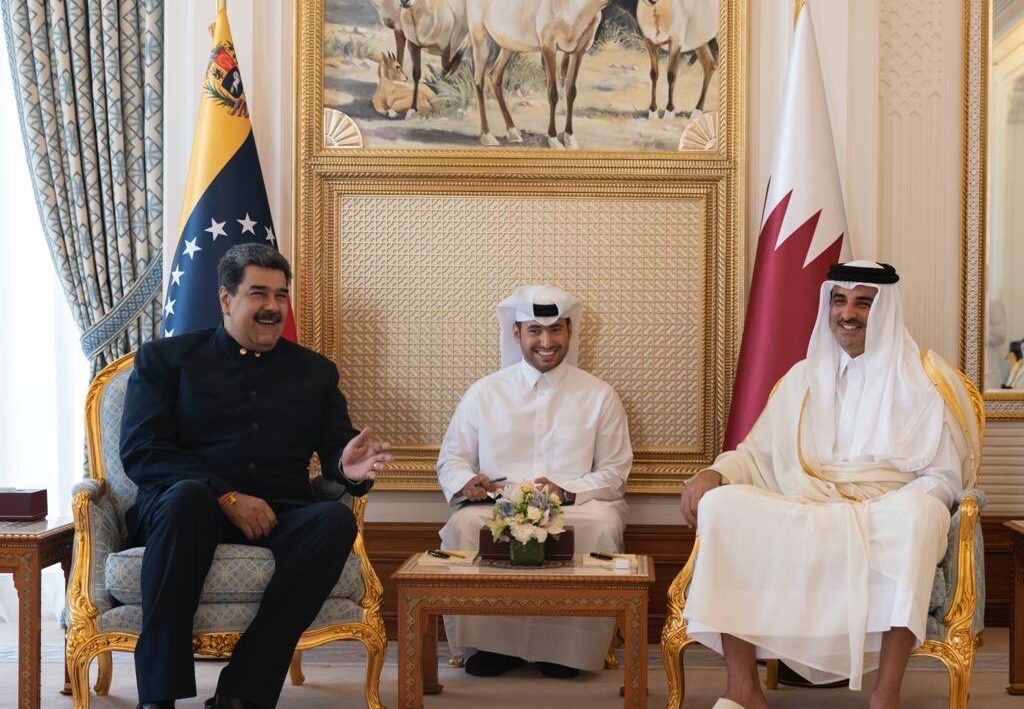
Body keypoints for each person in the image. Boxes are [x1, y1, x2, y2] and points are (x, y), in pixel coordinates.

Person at [679, 261, 980, 709]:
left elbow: (942, 479)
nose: (848, 313)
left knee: (921, 517)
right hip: (810, 504)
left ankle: (886, 695)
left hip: (886, 509)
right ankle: (743, 689)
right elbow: (756, 455)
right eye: (839, 300)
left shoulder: (925, 382)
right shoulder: (802, 379)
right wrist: (715, 472)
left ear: (886, 310)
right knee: (724, 506)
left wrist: (883, 507)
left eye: (864, 302)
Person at [120, 244, 393, 709]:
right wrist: (226, 496)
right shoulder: (166, 359)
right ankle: (159, 696)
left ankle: (244, 692)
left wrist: (347, 469)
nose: (272, 307)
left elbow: (337, 451)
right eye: (258, 293)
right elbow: (142, 450)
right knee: (188, 497)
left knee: (334, 521)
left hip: (278, 511)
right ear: (226, 299)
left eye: (281, 296)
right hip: (181, 513)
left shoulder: (314, 372)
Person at [436, 284, 633, 678]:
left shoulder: (600, 395)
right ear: (516, 334)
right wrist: (466, 483)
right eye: (535, 331)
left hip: (574, 506)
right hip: (499, 505)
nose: (547, 341)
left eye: (556, 330)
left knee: (602, 525)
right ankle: (491, 646)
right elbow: (451, 458)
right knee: (464, 524)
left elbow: (615, 471)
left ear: (570, 332)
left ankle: (566, 650)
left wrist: (568, 491)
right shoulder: (484, 393)